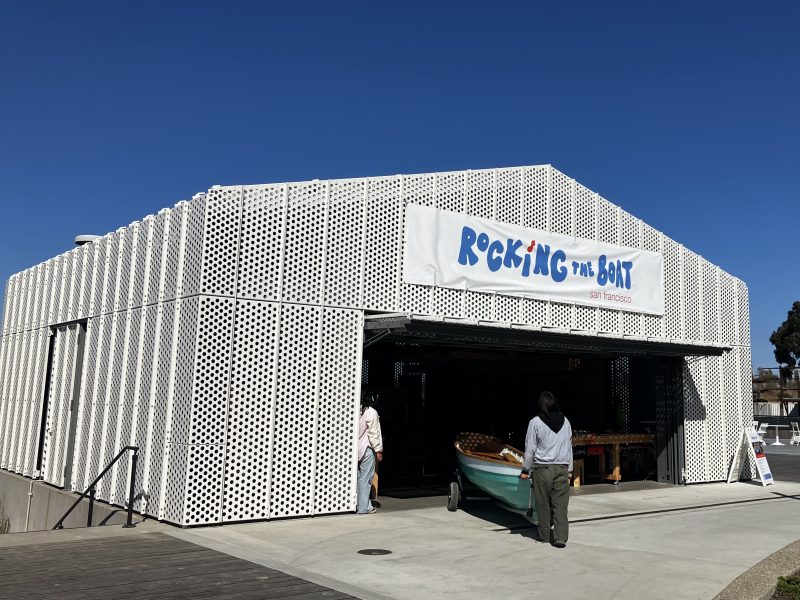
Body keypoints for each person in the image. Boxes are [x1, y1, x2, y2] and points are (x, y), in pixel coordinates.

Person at [519, 391, 573, 548]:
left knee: (543, 504)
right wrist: (569, 469)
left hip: (543, 469)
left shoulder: (535, 422)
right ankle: (560, 538)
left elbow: (530, 449)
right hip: (562, 468)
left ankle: (544, 535)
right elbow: (569, 446)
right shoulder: (566, 421)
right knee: (560, 506)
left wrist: (525, 469)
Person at [357, 390, 384, 514]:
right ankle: (363, 508)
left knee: (360, 478)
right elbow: (373, 433)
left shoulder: (360, 410)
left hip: (357, 449)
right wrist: (378, 450)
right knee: (366, 479)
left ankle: (366, 506)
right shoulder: (372, 412)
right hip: (368, 449)